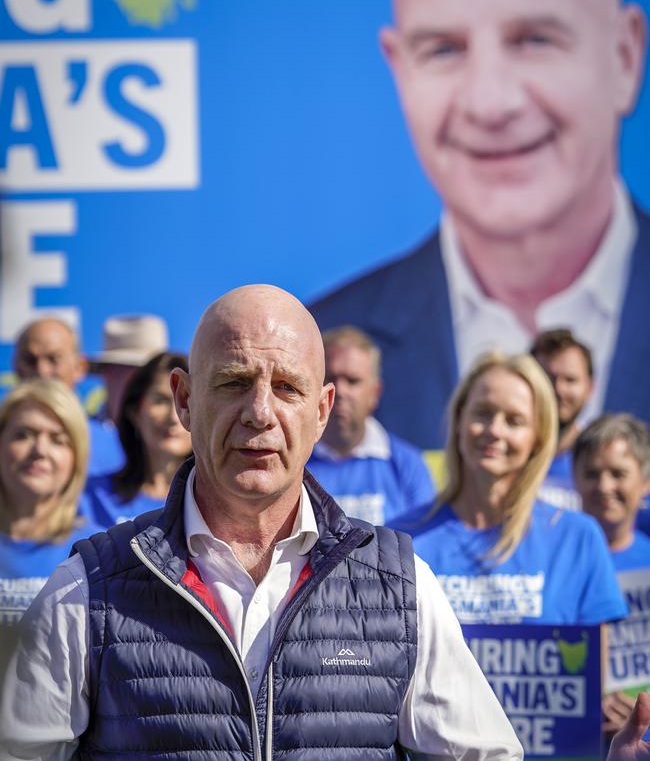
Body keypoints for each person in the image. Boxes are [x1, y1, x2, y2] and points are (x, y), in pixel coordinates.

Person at [0, 284, 522, 760]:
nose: (259, 412)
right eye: (233, 382)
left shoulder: (402, 589)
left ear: (322, 411)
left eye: (288, 388)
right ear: (185, 400)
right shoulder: (86, 590)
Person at [310, 0, 649, 452]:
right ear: (400, 72)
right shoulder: (321, 347)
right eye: (443, 49)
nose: (491, 103)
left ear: (624, 56)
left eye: (535, 40)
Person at [392, 351, 626, 625]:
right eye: (483, 413)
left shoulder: (577, 540)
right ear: (459, 420)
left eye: (514, 421)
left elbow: (598, 663)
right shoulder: (399, 543)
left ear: (537, 438)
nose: (495, 430)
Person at [306, 326, 434, 524]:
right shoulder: (292, 459)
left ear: (374, 393)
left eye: (353, 381)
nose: (340, 391)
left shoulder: (407, 465)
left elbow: (423, 543)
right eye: (330, 378)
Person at [0, 379, 101, 627]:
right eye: (23, 435)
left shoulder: (98, 554)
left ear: (77, 457)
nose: (40, 450)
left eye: (57, 439)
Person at [573, 414, 650, 738]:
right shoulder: (559, 561)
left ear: (645, 480)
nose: (604, 487)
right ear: (574, 479)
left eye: (618, 473)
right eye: (592, 474)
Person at [84, 352, 193, 525]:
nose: (174, 417)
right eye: (160, 401)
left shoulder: (220, 503)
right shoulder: (92, 496)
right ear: (134, 413)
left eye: (185, 401)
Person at [13, 317, 125, 477]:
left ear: (80, 367)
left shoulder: (114, 446)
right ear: (15, 366)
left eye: (53, 359)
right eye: (30, 360)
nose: (41, 371)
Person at [531, 328, 594, 510]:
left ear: (591, 388)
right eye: (547, 378)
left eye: (570, 380)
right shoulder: (502, 456)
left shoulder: (603, 464)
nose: (558, 390)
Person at [88, 313, 169, 424]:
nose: (143, 383)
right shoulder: (82, 435)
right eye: (133, 369)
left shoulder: (178, 436)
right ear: (106, 372)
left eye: (152, 371)